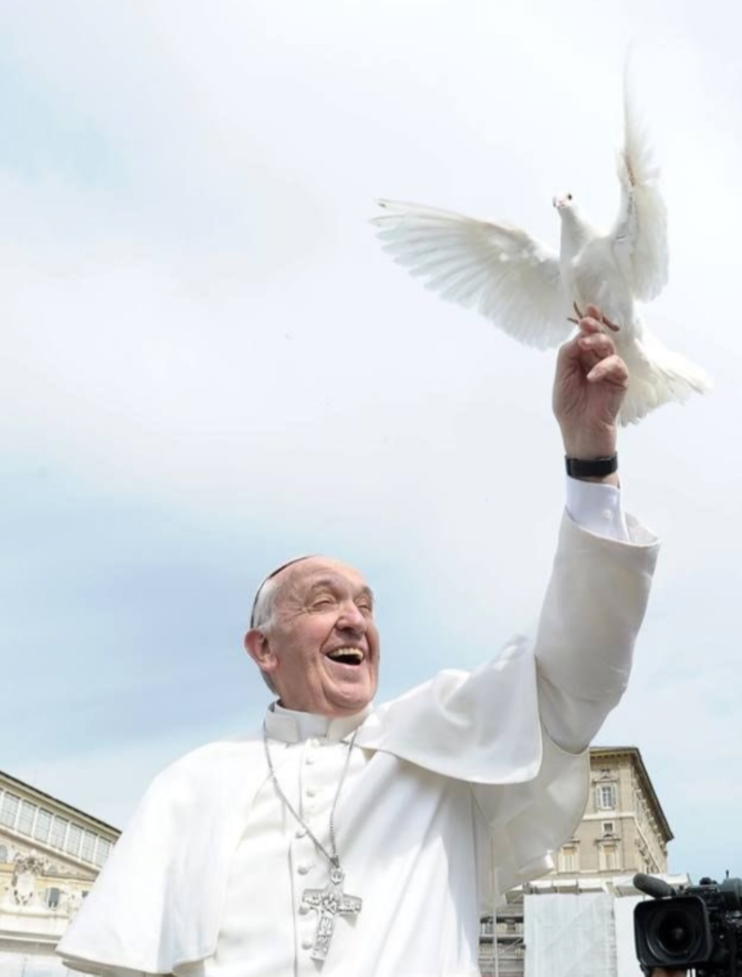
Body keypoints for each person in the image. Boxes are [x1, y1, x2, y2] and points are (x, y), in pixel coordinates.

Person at [57, 305, 660, 977]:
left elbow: (581, 666)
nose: (354, 619)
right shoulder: (192, 785)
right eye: (323, 602)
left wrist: (591, 460)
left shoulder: (444, 744)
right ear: (263, 648)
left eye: (366, 607)